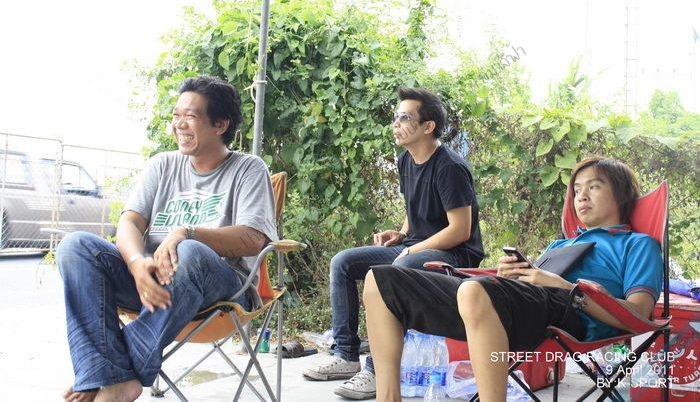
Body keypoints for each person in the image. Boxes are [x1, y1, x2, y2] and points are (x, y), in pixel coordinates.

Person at [363, 156, 663, 401]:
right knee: (380, 280)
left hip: (570, 317)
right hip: (507, 306)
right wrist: (510, 275)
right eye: (577, 190)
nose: (581, 196)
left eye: (594, 187)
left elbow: (638, 316)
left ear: (621, 196)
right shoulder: (561, 245)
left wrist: (564, 287)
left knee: (475, 290)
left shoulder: (638, 244)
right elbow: (525, 289)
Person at [57, 75, 278, 402]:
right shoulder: (162, 165)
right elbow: (130, 222)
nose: (179, 124)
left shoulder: (248, 169)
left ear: (220, 125)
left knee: (190, 250)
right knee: (75, 247)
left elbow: (253, 239)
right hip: (151, 284)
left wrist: (186, 232)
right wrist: (137, 264)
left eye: (190, 116)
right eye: (176, 115)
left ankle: (106, 373)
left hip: (221, 290)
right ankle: (110, 377)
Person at [303, 86, 484, 399]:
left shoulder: (450, 168)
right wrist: (401, 233)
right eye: (396, 117)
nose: (395, 124)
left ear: (428, 126)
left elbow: (460, 230)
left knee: (396, 271)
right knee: (343, 263)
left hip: (455, 255)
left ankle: (376, 371)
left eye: (405, 118)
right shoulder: (406, 160)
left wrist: (411, 249)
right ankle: (345, 355)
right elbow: (415, 209)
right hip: (415, 247)